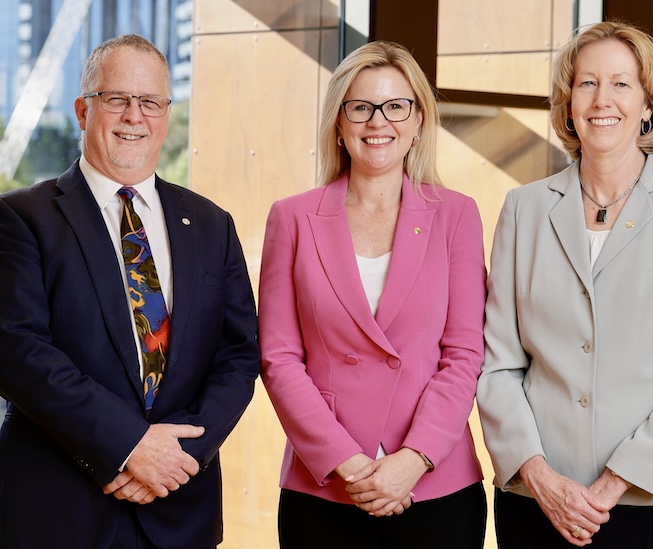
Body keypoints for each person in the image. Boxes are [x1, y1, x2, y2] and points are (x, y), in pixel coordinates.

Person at [477, 21, 653, 549]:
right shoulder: (524, 209)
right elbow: (498, 363)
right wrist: (539, 476)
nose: (603, 99)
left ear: (648, 104)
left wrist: (616, 480)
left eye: (621, 83)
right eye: (587, 83)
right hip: (540, 502)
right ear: (568, 104)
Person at [0, 35, 260, 549]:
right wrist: (128, 447)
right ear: (83, 109)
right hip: (58, 511)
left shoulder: (212, 223)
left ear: (167, 113)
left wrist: (175, 459)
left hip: (180, 507)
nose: (133, 116)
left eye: (151, 102)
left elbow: (239, 355)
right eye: (117, 99)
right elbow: (19, 352)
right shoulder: (20, 218)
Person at [258, 40, 488, 548]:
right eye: (360, 107)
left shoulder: (457, 215)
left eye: (395, 106)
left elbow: (465, 354)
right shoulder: (292, 218)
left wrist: (414, 458)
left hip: (435, 487)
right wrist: (348, 462)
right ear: (339, 123)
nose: (377, 121)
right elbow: (279, 358)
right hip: (324, 489)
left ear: (417, 120)